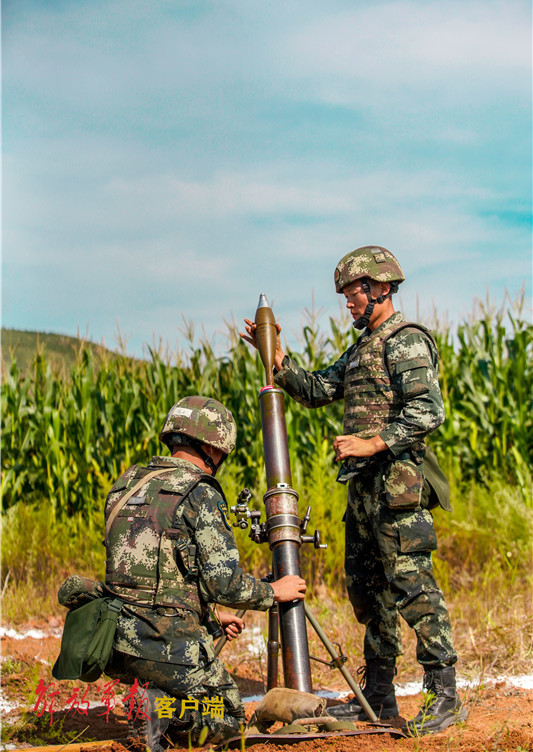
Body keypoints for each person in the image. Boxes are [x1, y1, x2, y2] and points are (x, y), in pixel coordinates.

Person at [241, 246, 466, 736]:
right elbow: (319, 388)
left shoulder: (404, 341)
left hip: (398, 491)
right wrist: (277, 359)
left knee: (413, 589)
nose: (347, 304)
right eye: (343, 296)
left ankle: (445, 695)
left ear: (381, 288)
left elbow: (427, 412)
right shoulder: (364, 347)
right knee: (370, 595)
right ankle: (380, 698)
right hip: (364, 494)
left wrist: (370, 442)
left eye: (353, 294)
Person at [103, 395, 306, 748]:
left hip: (114, 643)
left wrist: (209, 616)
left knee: (176, 680)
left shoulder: (127, 485)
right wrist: (276, 591)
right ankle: (160, 711)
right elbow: (225, 583)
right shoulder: (200, 493)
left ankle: (155, 704)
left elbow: (149, 574)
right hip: (164, 644)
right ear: (213, 448)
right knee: (229, 719)